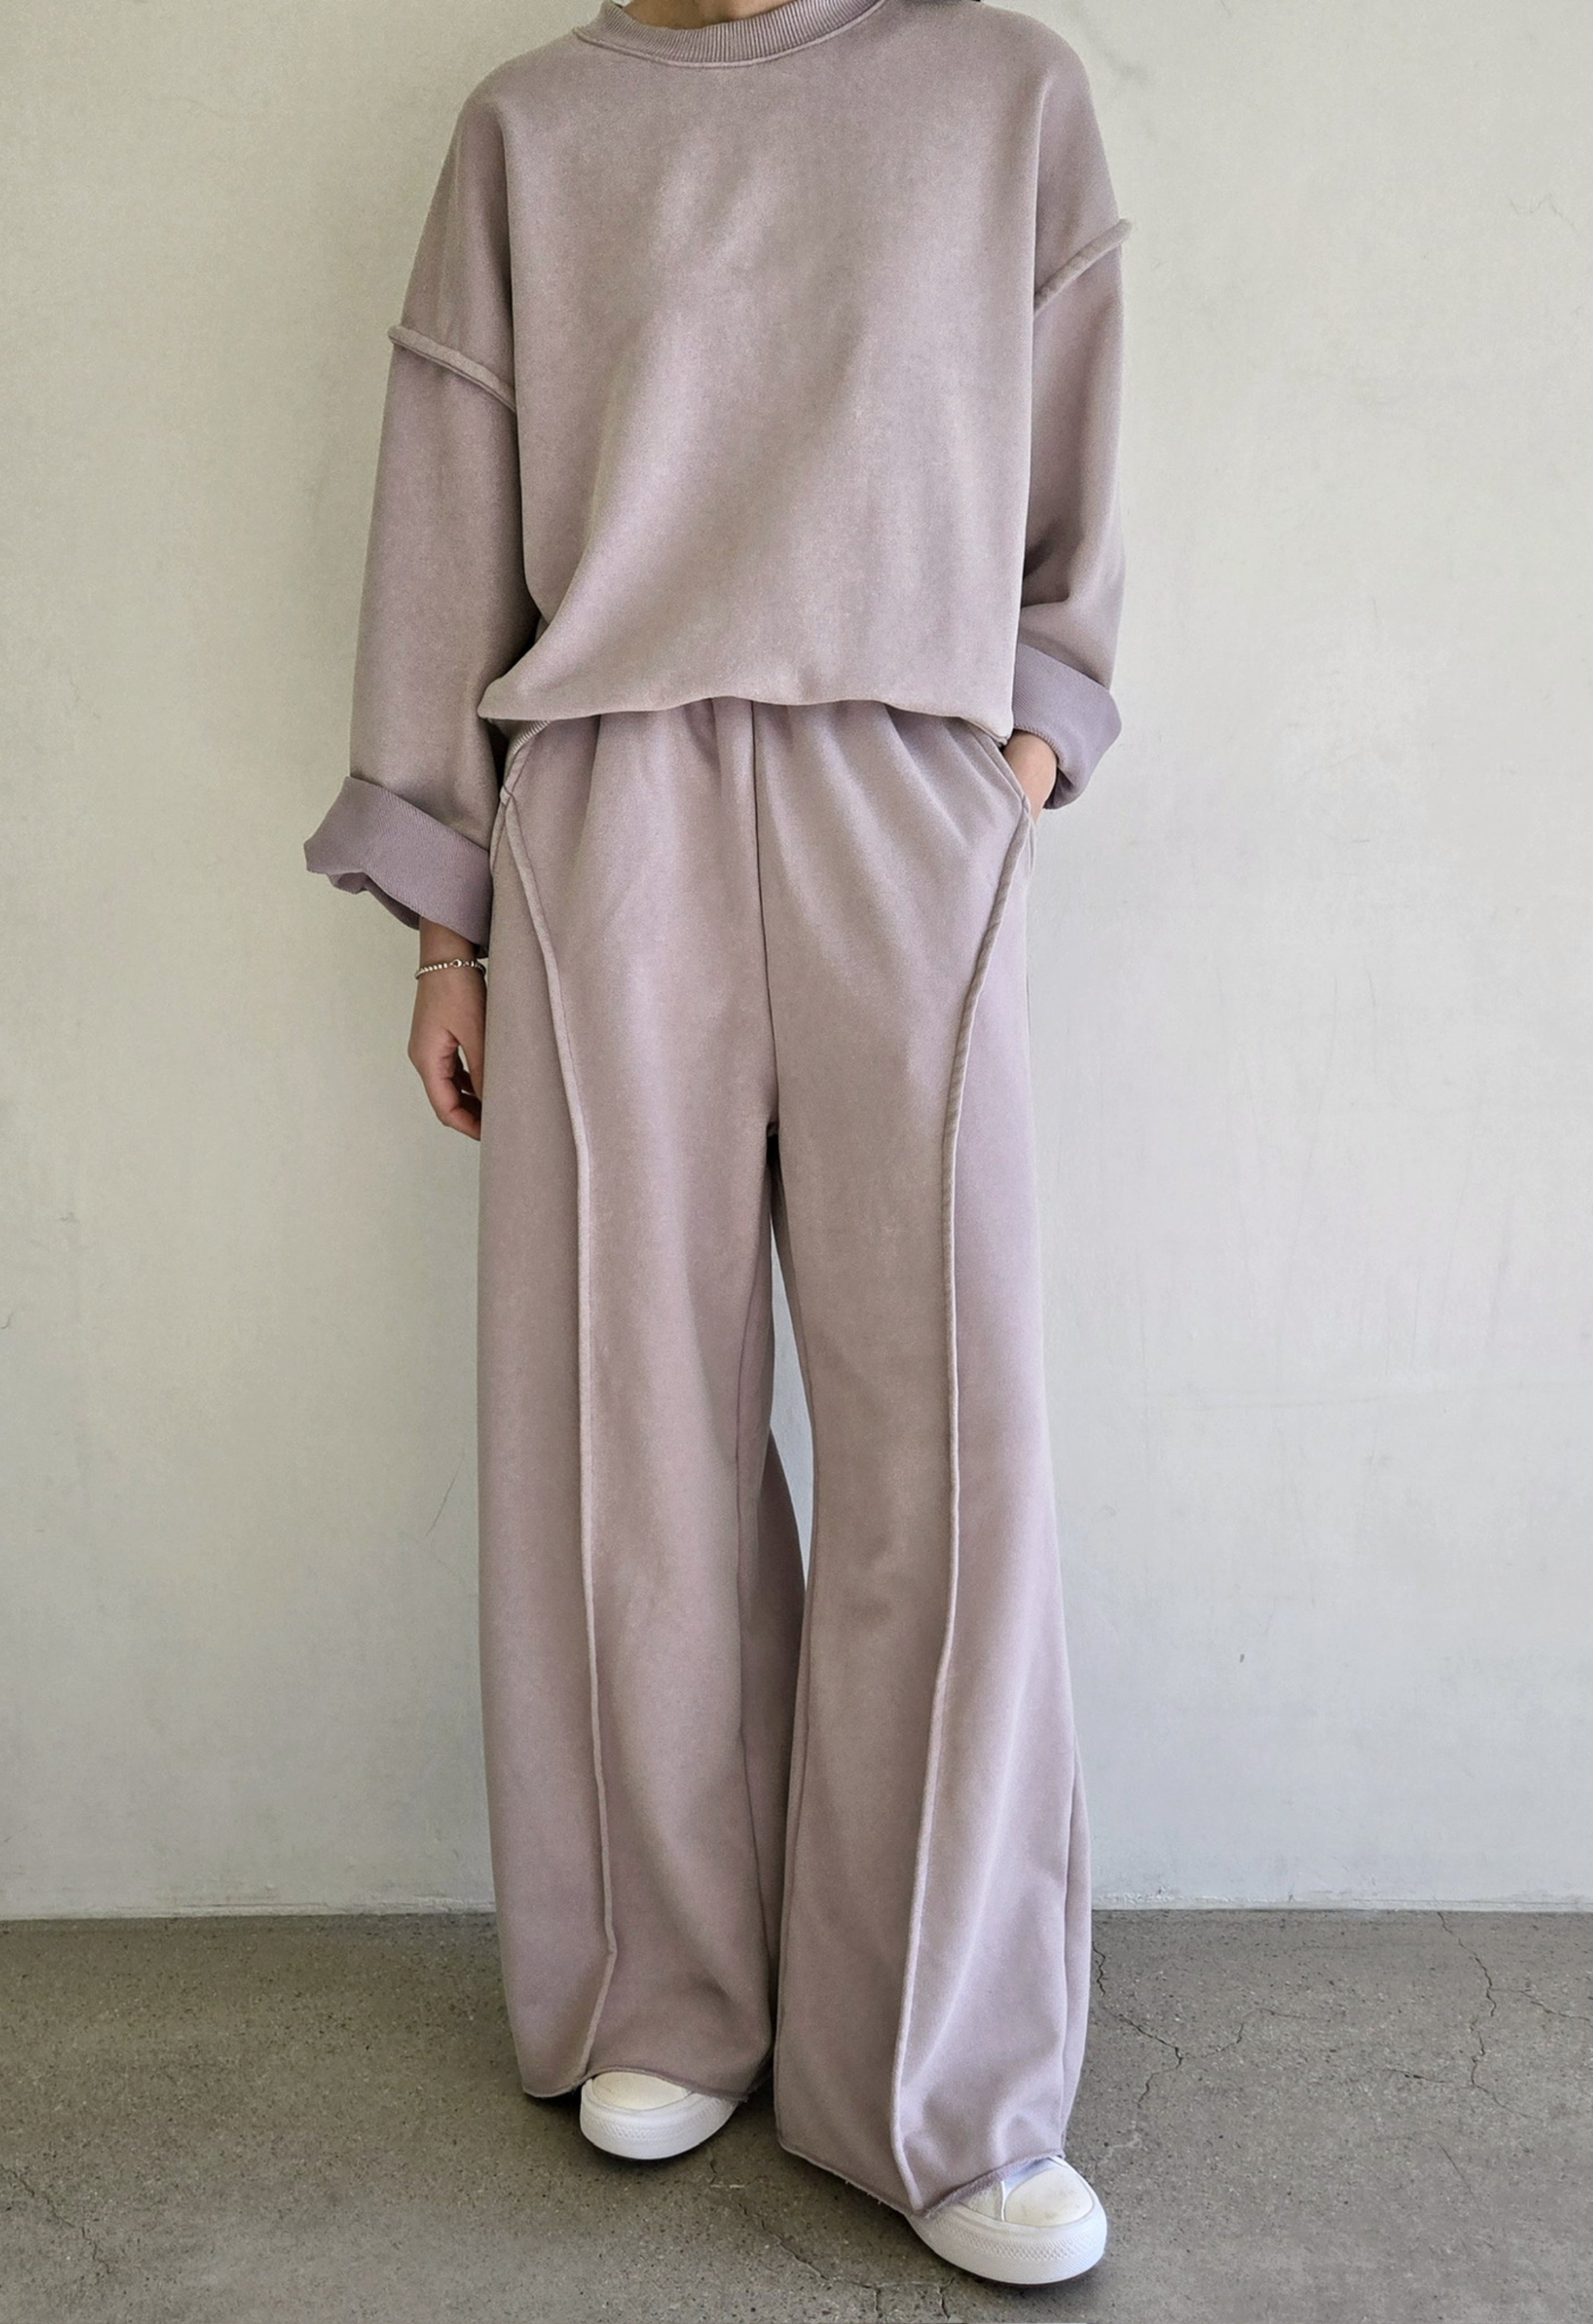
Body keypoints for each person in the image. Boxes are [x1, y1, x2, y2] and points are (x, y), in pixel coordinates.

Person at [304, 0, 1128, 2288]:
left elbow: (1075, 478)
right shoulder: (533, 132)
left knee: (947, 1438)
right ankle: (668, 1991)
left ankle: (944, 2080)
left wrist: (1016, 760)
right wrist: (444, 927)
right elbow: (447, 514)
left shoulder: (1001, 92)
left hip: (906, 786)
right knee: (627, 1435)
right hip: (610, 800)